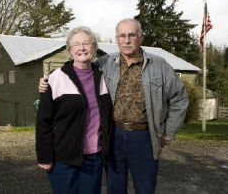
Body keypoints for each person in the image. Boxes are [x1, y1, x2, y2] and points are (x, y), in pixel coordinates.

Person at [39, 18, 188, 194]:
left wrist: (169, 130)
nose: (126, 40)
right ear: (116, 39)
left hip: (144, 137)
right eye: (122, 36)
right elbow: (77, 67)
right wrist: (48, 78)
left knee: (145, 188)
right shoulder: (105, 63)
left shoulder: (159, 65)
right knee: (115, 188)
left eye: (132, 35)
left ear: (141, 37)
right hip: (113, 136)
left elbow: (180, 97)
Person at [36, 26, 113, 194]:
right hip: (63, 159)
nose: (82, 48)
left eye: (86, 43)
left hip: (94, 158)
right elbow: (43, 122)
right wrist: (45, 157)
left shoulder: (104, 77)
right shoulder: (55, 78)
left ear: (94, 47)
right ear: (70, 50)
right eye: (77, 44)